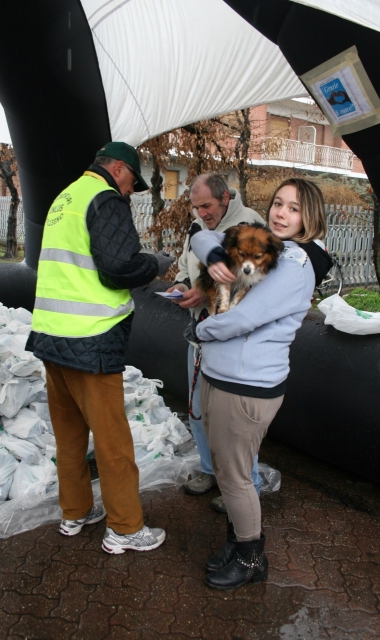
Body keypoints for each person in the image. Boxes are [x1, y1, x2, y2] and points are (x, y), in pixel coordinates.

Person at [25, 141, 174, 554]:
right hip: (91, 338)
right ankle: (125, 528)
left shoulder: (65, 197)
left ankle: (74, 512)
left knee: (69, 434)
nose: (130, 192)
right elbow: (117, 269)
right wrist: (155, 265)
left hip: (51, 335)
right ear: (121, 170)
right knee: (112, 441)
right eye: (132, 183)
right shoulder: (106, 199)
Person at [190, 178, 332, 589]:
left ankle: (252, 558)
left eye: (293, 208)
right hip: (221, 374)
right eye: (277, 203)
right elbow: (203, 236)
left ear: (310, 217)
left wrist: (203, 329)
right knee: (224, 467)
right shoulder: (268, 244)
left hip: (248, 386)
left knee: (235, 477)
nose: (280, 213)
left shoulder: (296, 264)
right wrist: (215, 255)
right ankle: (237, 545)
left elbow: (243, 319)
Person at [166, 173, 264, 512]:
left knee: (233, 420)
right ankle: (210, 471)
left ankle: (247, 482)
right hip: (201, 333)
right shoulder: (197, 227)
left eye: (206, 205)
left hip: (235, 339)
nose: (201, 213)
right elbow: (185, 267)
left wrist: (203, 293)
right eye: (196, 207)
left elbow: (250, 282)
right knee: (198, 410)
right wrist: (181, 287)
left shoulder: (250, 224)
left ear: (224, 198)